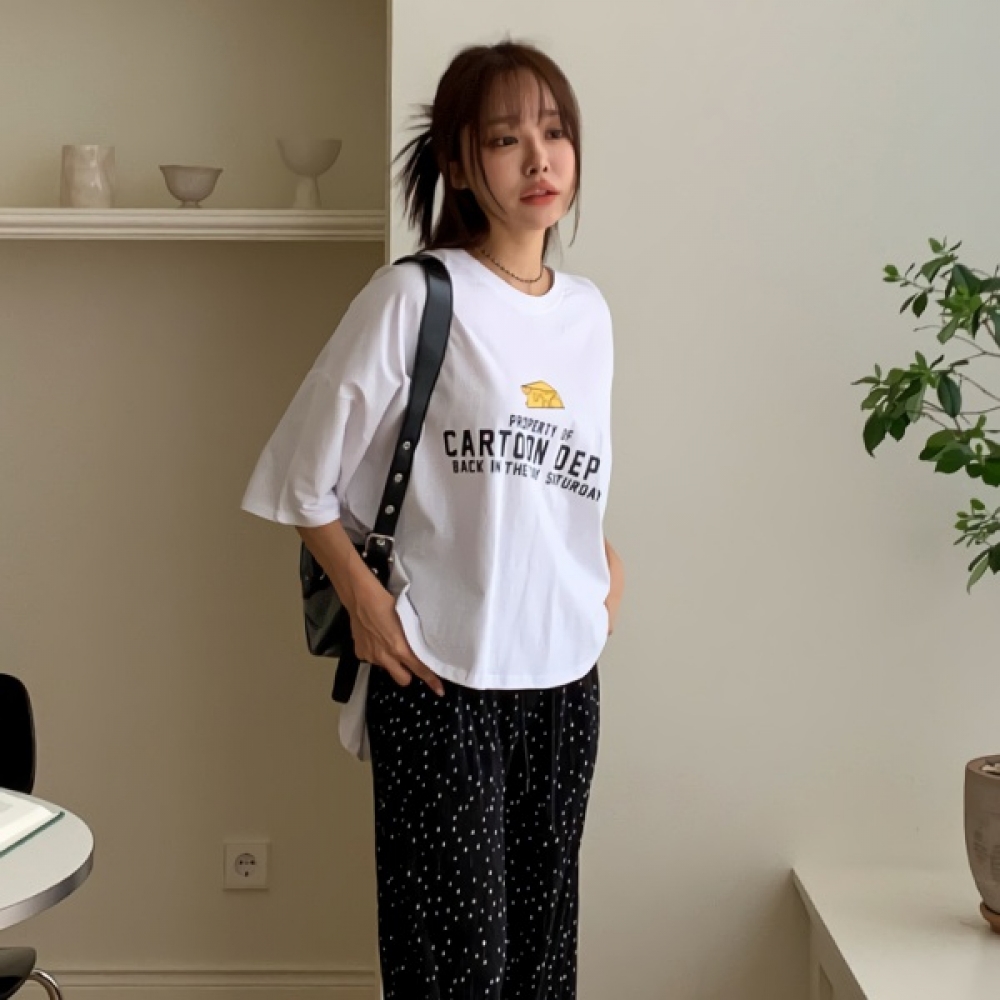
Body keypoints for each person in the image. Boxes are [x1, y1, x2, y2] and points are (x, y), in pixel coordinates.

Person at [242, 39, 624, 1000]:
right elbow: (300, 478)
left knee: (543, 972)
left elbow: (558, 480)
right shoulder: (415, 295)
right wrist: (364, 602)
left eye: (555, 132)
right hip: (443, 680)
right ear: (457, 161)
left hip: (565, 682)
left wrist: (604, 569)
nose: (539, 158)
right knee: (456, 975)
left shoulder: (589, 315)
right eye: (505, 138)